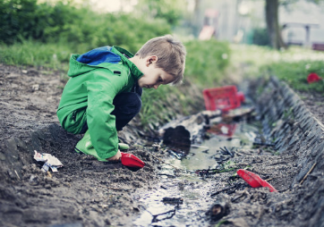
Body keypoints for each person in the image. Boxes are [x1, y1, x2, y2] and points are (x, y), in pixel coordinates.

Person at [57, 35, 186, 162]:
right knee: (131, 102)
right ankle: (91, 144)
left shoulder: (129, 73)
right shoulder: (117, 73)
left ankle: (102, 140)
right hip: (74, 116)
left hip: (84, 111)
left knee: (134, 95)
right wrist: (108, 151)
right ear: (150, 61)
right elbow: (99, 107)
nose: (156, 87)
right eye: (159, 79)